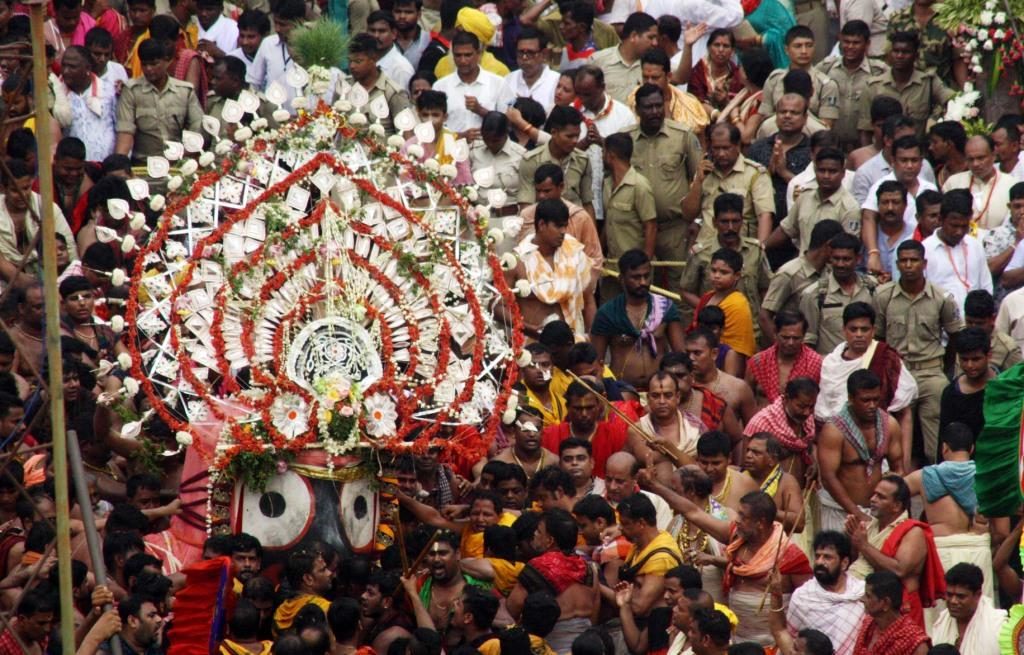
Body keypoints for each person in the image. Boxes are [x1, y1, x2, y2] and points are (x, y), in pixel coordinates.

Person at [874, 239, 963, 462]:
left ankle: (936, 478)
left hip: (930, 372)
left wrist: (945, 370)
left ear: (924, 263)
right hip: (897, 372)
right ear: (897, 264)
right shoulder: (883, 296)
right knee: (892, 435)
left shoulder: (942, 298)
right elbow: (879, 337)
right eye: (903, 261)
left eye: (914, 260)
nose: (908, 265)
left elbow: (954, 337)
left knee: (933, 439)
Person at [846, 475, 947, 629]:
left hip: (895, 610)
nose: (873, 499)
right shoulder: (869, 526)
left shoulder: (913, 532)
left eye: (881, 497)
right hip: (862, 602)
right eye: (874, 494)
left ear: (897, 505)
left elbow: (899, 570)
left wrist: (864, 545)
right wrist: (853, 540)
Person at [628, 83, 701, 291]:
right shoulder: (626, 138)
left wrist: (698, 220)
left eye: (658, 106)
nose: (654, 112)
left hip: (675, 229)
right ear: (637, 110)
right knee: (640, 287)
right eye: (648, 107)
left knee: (681, 288)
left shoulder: (683, 135)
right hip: (637, 229)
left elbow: (700, 180)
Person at [818, 370, 904, 531]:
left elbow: (898, 468)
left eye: (876, 399)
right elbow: (828, 478)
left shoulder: (890, 425)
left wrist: (890, 504)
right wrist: (857, 513)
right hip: (840, 511)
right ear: (851, 398)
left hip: (878, 513)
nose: (872, 405)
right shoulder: (834, 431)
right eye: (865, 400)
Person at [507, 509, 599, 654]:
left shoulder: (537, 566)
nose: (534, 535)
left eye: (538, 532)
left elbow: (513, 605)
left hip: (550, 646)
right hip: (585, 647)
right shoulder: (590, 568)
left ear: (550, 541)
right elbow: (594, 611)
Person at [591, 250, 685, 389]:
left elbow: (680, 355)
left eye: (646, 276)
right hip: (622, 391)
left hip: (660, 391)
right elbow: (596, 362)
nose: (643, 282)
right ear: (621, 279)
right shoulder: (607, 314)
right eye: (635, 277)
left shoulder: (665, 308)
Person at [681, 193, 771, 334]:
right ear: (714, 222)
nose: (730, 228)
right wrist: (710, 310)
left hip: (751, 330)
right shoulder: (700, 253)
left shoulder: (756, 250)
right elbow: (686, 291)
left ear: (742, 221)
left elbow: (765, 288)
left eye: (735, 221)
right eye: (724, 222)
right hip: (713, 332)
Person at [507, 198, 595, 337]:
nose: (563, 231)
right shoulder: (517, 261)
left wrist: (592, 341)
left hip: (571, 345)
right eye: (558, 226)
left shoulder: (575, 254)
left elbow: (589, 301)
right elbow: (498, 306)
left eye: (565, 226)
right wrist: (528, 328)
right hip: (532, 347)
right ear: (542, 224)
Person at [681, 122, 775, 245]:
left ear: (737, 146)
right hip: (707, 249)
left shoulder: (755, 174)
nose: (721, 154)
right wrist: (698, 182)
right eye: (716, 148)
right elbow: (688, 215)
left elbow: (765, 216)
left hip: (740, 249)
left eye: (726, 148)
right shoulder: (704, 172)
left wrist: (759, 250)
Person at [115, 39, 203, 166]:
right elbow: (125, 132)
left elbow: (197, 128)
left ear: (166, 61)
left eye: (154, 64)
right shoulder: (132, 91)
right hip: (143, 165)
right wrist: (119, 166)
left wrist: (185, 156)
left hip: (178, 165)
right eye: (144, 65)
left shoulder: (184, 91)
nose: (149, 69)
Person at [858, 31, 953, 141]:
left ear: (916, 55)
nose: (899, 56)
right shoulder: (873, 86)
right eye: (896, 51)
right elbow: (865, 130)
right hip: (884, 152)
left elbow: (953, 100)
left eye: (906, 52)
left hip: (915, 153)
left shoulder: (928, 82)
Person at [784, 531, 866, 655]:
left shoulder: (861, 593)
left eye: (827, 557)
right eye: (817, 556)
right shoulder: (802, 596)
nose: (819, 562)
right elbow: (792, 640)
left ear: (844, 563)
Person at [760, 220, 845, 338]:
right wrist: (781, 348)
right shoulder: (789, 274)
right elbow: (765, 316)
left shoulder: (829, 272)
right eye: (839, 248)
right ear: (829, 246)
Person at [768, 147, 860, 255]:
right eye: (822, 170)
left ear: (843, 173)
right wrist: (761, 247)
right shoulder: (804, 197)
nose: (826, 176)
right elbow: (786, 229)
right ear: (815, 171)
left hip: (832, 269)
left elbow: (849, 249)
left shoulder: (850, 207)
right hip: (802, 266)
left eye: (832, 171)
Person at [799, 233, 879, 356]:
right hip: (831, 368)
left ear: (858, 259)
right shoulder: (814, 294)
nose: (840, 264)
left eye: (846, 259)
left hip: (867, 365)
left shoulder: (873, 288)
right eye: (836, 258)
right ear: (830, 257)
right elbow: (808, 341)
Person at [815, 21, 889, 151]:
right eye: (846, 42)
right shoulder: (826, 68)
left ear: (867, 44)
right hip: (831, 147)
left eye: (856, 43)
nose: (850, 46)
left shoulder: (879, 71)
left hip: (865, 146)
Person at [756, 26, 839, 132]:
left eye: (809, 46)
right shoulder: (775, 79)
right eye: (798, 46)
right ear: (786, 49)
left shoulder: (826, 85)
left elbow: (826, 127)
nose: (804, 51)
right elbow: (765, 115)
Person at [624, 372, 700, 485]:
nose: (662, 401)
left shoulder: (695, 427)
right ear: (648, 398)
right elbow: (643, 461)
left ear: (678, 397)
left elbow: (700, 471)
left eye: (668, 395)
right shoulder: (637, 430)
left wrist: (668, 446)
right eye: (655, 396)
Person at [616, 492, 684, 620]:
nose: (619, 528)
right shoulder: (641, 543)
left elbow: (639, 607)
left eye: (625, 524)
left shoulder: (661, 558)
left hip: (652, 626)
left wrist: (598, 586)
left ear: (641, 523)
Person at [922, 189, 993, 310]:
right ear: (940, 219)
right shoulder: (925, 250)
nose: (959, 232)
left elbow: (986, 286)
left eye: (964, 226)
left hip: (974, 323)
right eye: (954, 226)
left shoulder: (975, 246)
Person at [743, 378, 819, 487]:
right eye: (801, 406)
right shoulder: (761, 423)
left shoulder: (807, 420)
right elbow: (746, 465)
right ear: (787, 398)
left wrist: (814, 463)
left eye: (811, 407)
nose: (807, 412)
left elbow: (810, 446)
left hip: (800, 491)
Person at [542, 381, 628, 478]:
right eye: (578, 408)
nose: (584, 414)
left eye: (589, 408)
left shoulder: (615, 434)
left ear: (599, 406)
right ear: (567, 407)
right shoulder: (549, 435)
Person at [517, 106, 593, 214]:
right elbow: (526, 205)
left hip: (575, 223)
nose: (575, 141)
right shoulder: (531, 161)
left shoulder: (582, 160)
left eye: (577, 135)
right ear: (554, 132)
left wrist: (592, 230)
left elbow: (587, 203)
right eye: (569, 136)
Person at [602, 132, 657, 280]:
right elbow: (608, 223)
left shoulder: (640, 186)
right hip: (611, 265)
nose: (602, 156)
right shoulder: (606, 184)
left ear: (610, 155)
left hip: (635, 269)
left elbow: (650, 226)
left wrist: (644, 265)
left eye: (603, 151)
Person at [433, 32, 503, 136]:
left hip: (488, 149)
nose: (463, 60)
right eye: (458, 55)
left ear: (478, 54)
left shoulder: (498, 83)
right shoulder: (440, 87)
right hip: (450, 150)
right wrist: (460, 137)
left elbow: (507, 125)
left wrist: (481, 110)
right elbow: (433, 125)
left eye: (468, 55)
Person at [942, 135, 1018, 230]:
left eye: (981, 158)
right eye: (970, 159)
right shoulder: (953, 182)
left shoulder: (1011, 184)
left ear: (994, 154)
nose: (975, 164)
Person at [746, 312, 822, 405]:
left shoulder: (815, 363)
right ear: (775, 333)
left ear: (804, 336)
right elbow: (746, 401)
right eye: (785, 337)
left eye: (796, 338)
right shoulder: (758, 363)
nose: (790, 343)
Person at [345, 33, 412, 136]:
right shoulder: (344, 86)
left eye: (358, 61)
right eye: (350, 61)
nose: (352, 66)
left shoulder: (393, 92)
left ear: (374, 59)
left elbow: (406, 135)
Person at [930, 563, 1006, 655]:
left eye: (960, 596)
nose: (953, 601)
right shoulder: (941, 622)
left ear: (977, 595)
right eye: (949, 595)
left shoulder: (998, 626)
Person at [851, 571, 930, 655]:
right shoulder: (868, 625)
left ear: (885, 603)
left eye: (868, 596)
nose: (862, 599)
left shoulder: (914, 642)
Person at [60, 46, 117, 162]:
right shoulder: (55, 93)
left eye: (72, 67)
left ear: (87, 68)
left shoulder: (110, 92)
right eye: (64, 65)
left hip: (105, 166)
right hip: (72, 171)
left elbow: (121, 129)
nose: (66, 71)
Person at [585, 12, 657, 103]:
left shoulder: (654, 65)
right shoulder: (598, 60)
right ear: (634, 36)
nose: (655, 43)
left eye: (656, 38)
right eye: (650, 37)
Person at [939, 330, 995, 438]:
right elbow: (946, 437)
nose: (969, 365)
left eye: (976, 359)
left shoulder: (1004, 387)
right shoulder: (951, 394)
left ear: (988, 356)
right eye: (964, 359)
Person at [742, 433, 803, 530]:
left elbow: (799, 523)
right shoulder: (736, 475)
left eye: (756, 453)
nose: (748, 455)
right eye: (748, 450)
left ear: (772, 460)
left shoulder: (787, 482)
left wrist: (765, 510)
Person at [496, 28, 559, 113]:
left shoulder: (556, 82)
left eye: (530, 53)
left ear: (544, 54)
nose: (524, 58)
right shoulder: (508, 80)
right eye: (521, 52)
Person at [273, 549, 334, 632]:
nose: (329, 573)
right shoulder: (326, 609)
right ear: (308, 579)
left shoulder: (279, 613)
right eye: (323, 570)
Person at [964, 289, 1024, 371]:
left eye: (979, 324)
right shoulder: (959, 335)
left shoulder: (1008, 349)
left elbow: (1018, 378)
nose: (973, 328)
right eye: (969, 322)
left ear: (992, 319)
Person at [492, 406, 557, 478]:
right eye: (525, 429)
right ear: (514, 432)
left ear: (542, 431)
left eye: (537, 428)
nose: (532, 434)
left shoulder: (554, 462)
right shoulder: (500, 463)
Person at [367, 11, 414, 91]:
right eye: (372, 30)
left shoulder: (401, 69)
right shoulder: (363, 60)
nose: (376, 36)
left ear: (394, 34)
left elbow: (403, 102)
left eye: (382, 31)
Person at [0, 588, 55, 655]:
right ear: (22, 619)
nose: (47, 629)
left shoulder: (41, 636)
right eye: (41, 623)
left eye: (49, 622)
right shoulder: (3, 644)